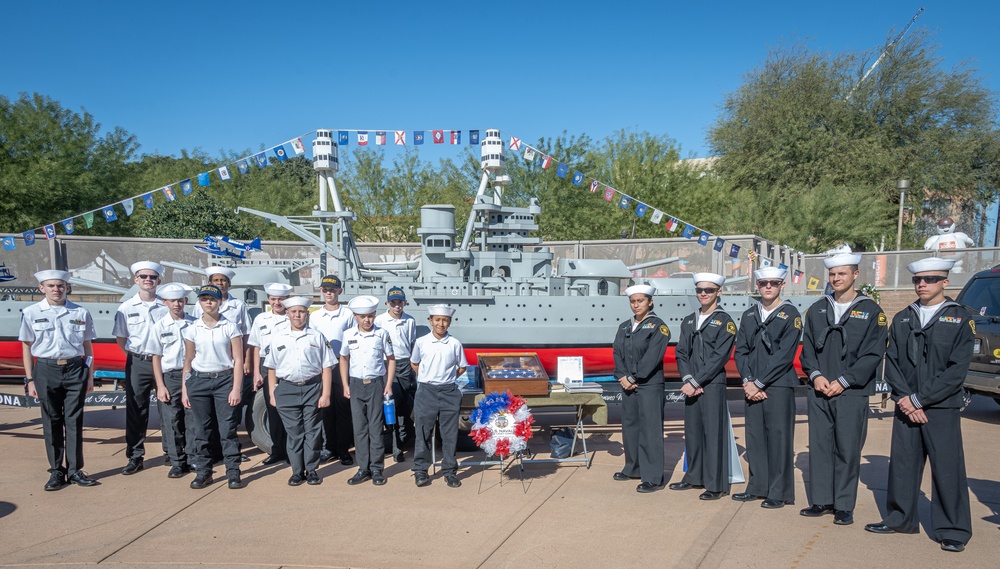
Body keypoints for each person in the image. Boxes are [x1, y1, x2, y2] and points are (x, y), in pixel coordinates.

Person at [865, 258, 974, 553]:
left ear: (945, 282)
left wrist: (919, 399)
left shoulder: (960, 318)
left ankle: (952, 529)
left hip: (940, 406)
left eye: (930, 279)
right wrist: (905, 398)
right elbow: (894, 362)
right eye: (918, 280)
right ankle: (900, 518)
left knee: (947, 468)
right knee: (902, 465)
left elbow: (956, 370)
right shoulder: (903, 317)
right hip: (906, 404)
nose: (922, 284)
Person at [799, 253, 887, 526]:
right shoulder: (817, 309)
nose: (836, 279)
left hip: (851, 392)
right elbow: (808, 349)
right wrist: (815, 375)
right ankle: (822, 500)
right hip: (820, 389)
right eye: (833, 274)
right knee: (821, 446)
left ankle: (844, 505)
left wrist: (845, 380)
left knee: (847, 449)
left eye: (842, 274)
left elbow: (873, 353)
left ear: (855, 275)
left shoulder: (872, 311)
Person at [20, 269, 98, 490]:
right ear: (41, 288)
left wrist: (89, 375)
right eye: (51, 286)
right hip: (45, 369)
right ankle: (56, 471)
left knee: (74, 421)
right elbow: (26, 347)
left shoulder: (81, 312)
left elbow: (87, 345)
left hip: (75, 369)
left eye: (61, 286)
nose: (57, 289)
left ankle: (75, 470)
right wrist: (30, 380)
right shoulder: (31, 312)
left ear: (67, 287)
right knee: (51, 421)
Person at [732, 266, 801, 508]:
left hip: (778, 385)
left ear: (782, 285)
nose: (768, 287)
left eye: (773, 283)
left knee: (779, 438)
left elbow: (784, 355)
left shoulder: (791, 314)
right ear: (757, 286)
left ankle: (778, 492)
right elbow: (741, 351)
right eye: (763, 283)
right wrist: (748, 381)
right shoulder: (749, 315)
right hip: (752, 385)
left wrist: (759, 382)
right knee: (755, 438)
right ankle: (757, 486)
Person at [670, 273, 736, 500]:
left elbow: (719, 357)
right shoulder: (689, 320)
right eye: (700, 290)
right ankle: (694, 476)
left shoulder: (725, 321)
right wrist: (688, 379)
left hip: (712, 384)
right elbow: (681, 352)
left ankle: (715, 484)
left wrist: (697, 381)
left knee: (713, 434)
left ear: (719, 292)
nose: (704, 294)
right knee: (693, 433)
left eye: (709, 290)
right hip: (691, 385)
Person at [265, 297, 334, 486]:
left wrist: (326, 394)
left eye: (301, 311)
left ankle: (311, 470)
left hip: (312, 387)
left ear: (307, 314)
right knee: (294, 432)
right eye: (294, 312)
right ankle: (297, 471)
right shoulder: (278, 337)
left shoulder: (317, 336)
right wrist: (272, 393)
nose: (297, 315)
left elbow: (327, 367)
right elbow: (271, 368)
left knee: (312, 431)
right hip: (287, 389)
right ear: (287, 313)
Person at [181, 285, 245, 490]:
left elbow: (237, 359)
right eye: (204, 299)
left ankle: (233, 472)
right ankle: (204, 472)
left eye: (212, 299)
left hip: (224, 381)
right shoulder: (192, 329)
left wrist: (236, 389)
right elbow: (188, 360)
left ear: (221, 302)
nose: (208, 302)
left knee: (227, 429)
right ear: (199, 303)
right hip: (199, 382)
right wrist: (185, 389)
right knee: (201, 430)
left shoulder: (230, 327)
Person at [612, 284, 671, 493]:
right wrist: (622, 376)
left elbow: (652, 357)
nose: (636, 305)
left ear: (650, 302)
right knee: (630, 427)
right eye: (633, 301)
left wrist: (633, 376)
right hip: (628, 385)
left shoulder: (658, 327)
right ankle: (633, 467)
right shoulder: (624, 327)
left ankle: (653, 477)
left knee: (651, 431)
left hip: (649, 385)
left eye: (640, 301)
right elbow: (617, 352)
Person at [113, 261, 168, 475]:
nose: (148, 280)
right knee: (136, 410)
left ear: (159, 281)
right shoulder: (126, 308)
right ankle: (135, 456)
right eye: (143, 276)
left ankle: (172, 453)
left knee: (168, 409)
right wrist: (135, 357)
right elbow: (121, 337)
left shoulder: (166, 306)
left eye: (152, 277)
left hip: (164, 362)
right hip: (138, 361)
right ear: (136, 280)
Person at [193, 266, 251, 459]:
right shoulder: (199, 305)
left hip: (229, 367)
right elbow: (195, 333)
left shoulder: (238, 306)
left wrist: (244, 362)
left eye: (223, 280)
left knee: (229, 414)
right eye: (216, 280)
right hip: (205, 366)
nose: (220, 283)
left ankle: (232, 452)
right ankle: (214, 451)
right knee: (206, 417)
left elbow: (245, 335)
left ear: (229, 283)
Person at [410, 304, 468, 488]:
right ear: (430, 321)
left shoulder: (454, 344)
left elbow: (462, 367)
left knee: (449, 434)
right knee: (422, 432)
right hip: (426, 391)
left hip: (449, 391)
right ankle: (421, 470)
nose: (441, 324)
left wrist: (447, 378)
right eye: (437, 320)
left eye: (444, 320)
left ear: (449, 323)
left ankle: (449, 471)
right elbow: (415, 363)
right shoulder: (421, 342)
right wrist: (427, 378)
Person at [340, 295, 395, 486]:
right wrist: (345, 384)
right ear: (355, 317)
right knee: (359, 428)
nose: (367, 320)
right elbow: (344, 359)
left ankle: (377, 469)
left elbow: (391, 359)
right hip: (355, 384)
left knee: (375, 428)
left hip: (376, 384)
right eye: (362, 316)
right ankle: (363, 468)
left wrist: (388, 385)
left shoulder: (382, 334)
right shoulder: (348, 334)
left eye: (370, 316)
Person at [150, 283, 197, 479]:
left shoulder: (195, 324)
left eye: (180, 300)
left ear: (186, 301)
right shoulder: (159, 326)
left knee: (193, 419)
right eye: (172, 301)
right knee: (172, 420)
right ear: (165, 302)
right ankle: (177, 461)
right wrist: (160, 385)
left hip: (193, 376)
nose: (177, 304)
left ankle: (194, 457)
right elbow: (156, 357)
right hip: (170, 376)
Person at [311, 275, 355, 465]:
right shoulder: (315, 316)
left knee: (343, 408)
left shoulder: (348, 314)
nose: (329, 293)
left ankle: (344, 448)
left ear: (340, 291)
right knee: (326, 408)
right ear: (321, 291)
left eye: (332, 289)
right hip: (322, 366)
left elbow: (354, 340)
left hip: (342, 364)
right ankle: (328, 447)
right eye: (325, 290)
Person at [248, 282, 293, 466]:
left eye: (281, 299)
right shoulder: (261, 319)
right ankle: (277, 451)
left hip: (287, 368)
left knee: (290, 412)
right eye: (273, 299)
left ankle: (292, 452)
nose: (277, 302)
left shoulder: (293, 317)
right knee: (272, 411)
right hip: (267, 369)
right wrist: (257, 373)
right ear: (268, 300)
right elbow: (256, 346)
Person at [374, 286, 417, 462]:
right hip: (387, 364)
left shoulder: (410, 321)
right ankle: (396, 446)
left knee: (407, 405)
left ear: (404, 303)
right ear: (388, 303)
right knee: (391, 404)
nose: (397, 306)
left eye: (400, 302)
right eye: (393, 302)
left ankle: (405, 438)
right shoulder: (380, 320)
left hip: (405, 364)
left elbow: (412, 343)